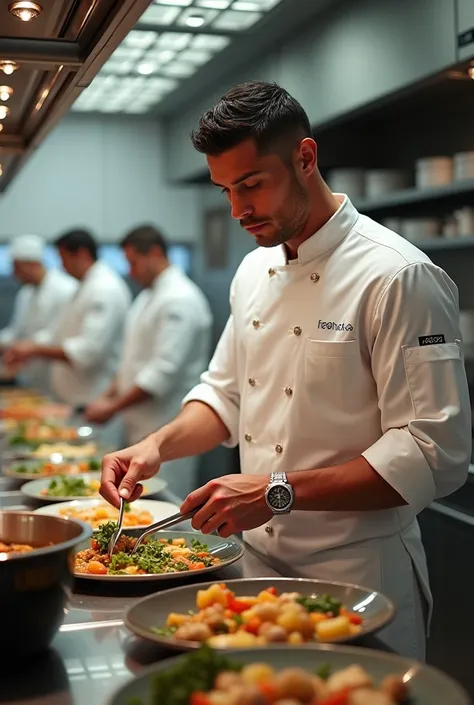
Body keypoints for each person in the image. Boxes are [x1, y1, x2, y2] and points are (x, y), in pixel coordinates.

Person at [99, 81, 471, 659]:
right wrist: (154, 446)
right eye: (226, 190)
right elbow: (222, 396)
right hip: (257, 572)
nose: (237, 209)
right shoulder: (253, 272)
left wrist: (276, 492)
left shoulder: (397, 276)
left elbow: (433, 452)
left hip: (358, 577)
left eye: (251, 185)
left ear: (305, 157)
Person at [85, 225, 213, 498]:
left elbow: (161, 374)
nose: (129, 271)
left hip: (169, 425)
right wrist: (108, 396)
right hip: (140, 424)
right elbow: (130, 360)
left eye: (133, 263)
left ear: (155, 253)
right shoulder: (146, 296)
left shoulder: (180, 299)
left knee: (167, 504)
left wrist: (113, 407)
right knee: (138, 504)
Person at [6, 229, 131, 412]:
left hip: (93, 399)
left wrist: (35, 349)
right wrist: (28, 347)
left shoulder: (104, 289)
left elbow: (88, 351)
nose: (62, 267)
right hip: (74, 396)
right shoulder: (85, 286)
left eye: (63, 259)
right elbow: (59, 332)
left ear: (81, 254)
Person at [1, 234, 77, 393]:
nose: (14, 274)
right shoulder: (26, 293)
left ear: (33, 264)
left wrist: (24, 348)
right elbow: (17, 330)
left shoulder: (65, 289)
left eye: (17, 268)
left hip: (59, 374)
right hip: (32, 376)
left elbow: (58, 334)